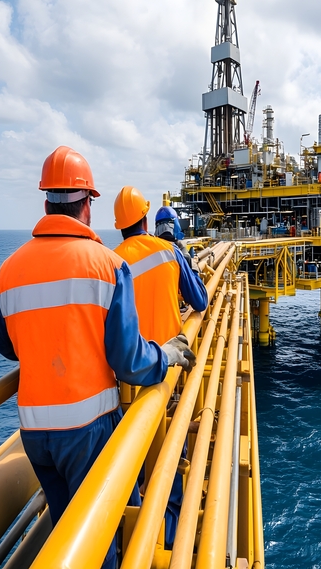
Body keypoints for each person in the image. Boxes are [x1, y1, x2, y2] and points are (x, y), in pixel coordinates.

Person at [0, 146, 194, 569]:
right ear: (87, 206)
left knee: (66, 534)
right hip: (87, 430)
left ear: (46, 203)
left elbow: (8, 347)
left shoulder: (7, 271)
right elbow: (129, 361)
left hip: (34, 434)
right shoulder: (106, 265)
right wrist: (167, 355)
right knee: (100, 541)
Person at [113, 189, 208, 549]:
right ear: (145, 220)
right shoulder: (169, 252)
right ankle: (167, 538)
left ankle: (132, 534)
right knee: (170, 456)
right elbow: (200, 300)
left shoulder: (111, 261)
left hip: (128, 381)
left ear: (120, 226)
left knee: (134, 458)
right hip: (167, 374)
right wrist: (190, 269)